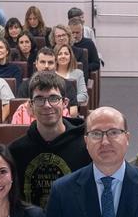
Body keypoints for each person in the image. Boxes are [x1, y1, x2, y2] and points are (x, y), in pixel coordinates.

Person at [8, 71, 91, 209]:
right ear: (30, 107)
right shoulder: (16, 151)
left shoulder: (86, 146)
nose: (47, 105)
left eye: (53, 98)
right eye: (39, 99)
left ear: (65, 103)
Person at [11, 50, 76, 124]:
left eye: (50, 63)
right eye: (42, 62)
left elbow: (73, 112)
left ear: (55, 64)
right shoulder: (25, 86)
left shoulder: (66, 85)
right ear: (36, 64)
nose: (46, 66)